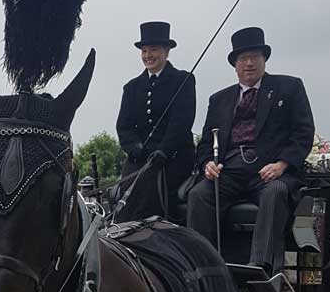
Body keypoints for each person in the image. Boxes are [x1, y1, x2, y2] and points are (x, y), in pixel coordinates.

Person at [187, 26, 315, 272]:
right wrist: (207, 164)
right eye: (243, 59)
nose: (249, 64)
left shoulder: (289, 88)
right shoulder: (219, 99)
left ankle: (261, 266)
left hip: (268, 171)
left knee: (275, 192)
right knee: (199, 195)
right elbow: (205, 142)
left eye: (254, 57)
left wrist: (282, 165)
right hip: (229, 170)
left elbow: (303, 132)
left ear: (264, 59)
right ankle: (203, 265)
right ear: (235, 65)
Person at [115, 21, 196, 220]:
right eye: (144, 50)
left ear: (166, 52)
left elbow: (182, 121)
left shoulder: (183, 80)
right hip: (141, 157)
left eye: (153, 49)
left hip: (173, 156)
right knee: (125, 190)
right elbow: (124, 126)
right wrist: (135, 147)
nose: (148, 55)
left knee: (152, 188)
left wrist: (164, 150)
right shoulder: (132, 87)